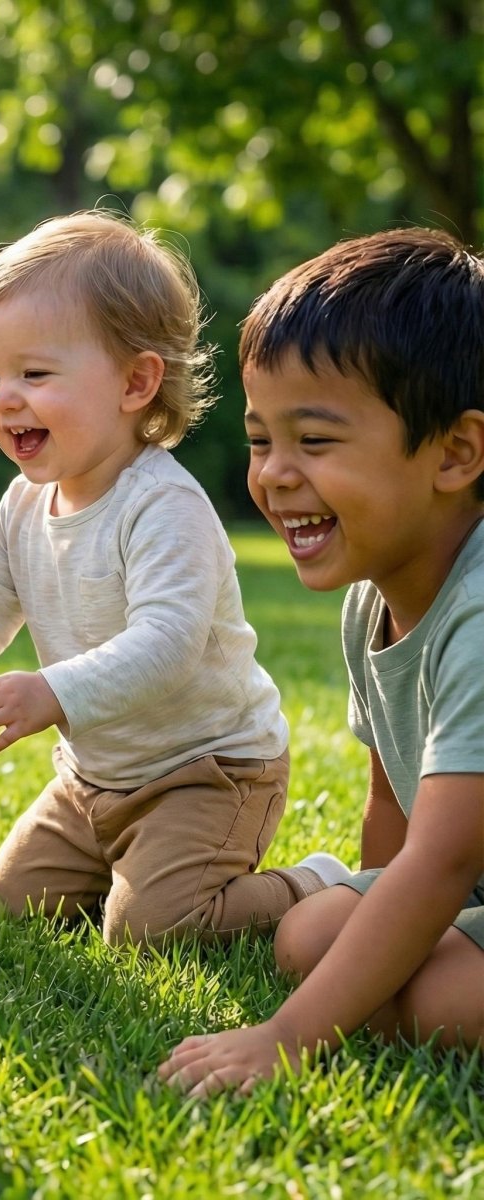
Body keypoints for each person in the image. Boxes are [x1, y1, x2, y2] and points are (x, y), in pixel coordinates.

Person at [0, 210, 343, 946]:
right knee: (13, 898)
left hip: (209, 769)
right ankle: (126, 856)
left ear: (136, 383)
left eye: (33, 373)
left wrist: (52, 692)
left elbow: (168, 644)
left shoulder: (163, 507)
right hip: (97, 778)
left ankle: (314, 882)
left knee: (153, 930)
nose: (4, 397)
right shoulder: (27, 501)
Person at [160, 227, 484, 1097]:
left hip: (468, 882)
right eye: (263, 441)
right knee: (306, 937)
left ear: (455, 453)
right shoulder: (370, 599)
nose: (274, 476)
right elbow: (393, 807)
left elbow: (445, 858)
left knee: (438, 998)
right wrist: (370, 923)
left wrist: (290, 1036)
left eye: (316, 441)